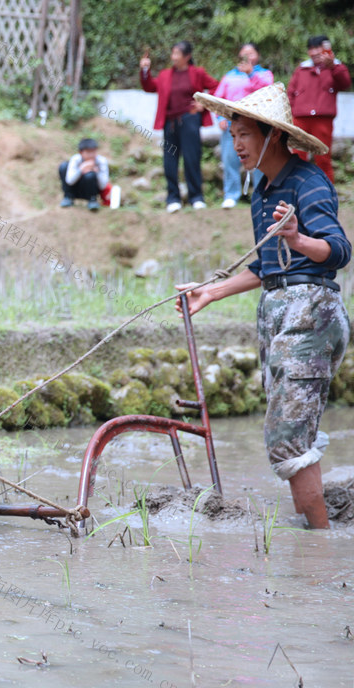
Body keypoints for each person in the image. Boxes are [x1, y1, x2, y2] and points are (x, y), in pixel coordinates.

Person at [181, 83, 349, 529]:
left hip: (310, 314)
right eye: (232, 135)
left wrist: (298, 238)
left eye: (245, 135)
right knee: (288, 429)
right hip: (277, 314)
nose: (236, 145)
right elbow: (267, 264)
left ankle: (320, 547)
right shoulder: (262, 190)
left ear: (273, 135)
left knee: (288, 436)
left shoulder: (308, 182)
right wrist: (211, 291)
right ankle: (315, 535)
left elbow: (338, 251)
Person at [139, 41, 219, 213]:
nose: (173, 57)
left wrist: (204, 103)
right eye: (173, 53)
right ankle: (173, 198)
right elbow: (150, 87)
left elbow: (216, 86)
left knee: (192, 158)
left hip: (190, 120)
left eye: (177, 54)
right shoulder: (165, 75)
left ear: (187, 56)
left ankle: (196, 197)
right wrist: (145, 70)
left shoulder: (197, 73)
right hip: (170, 123)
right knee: (170, 161)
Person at [212, 43, 273, 208]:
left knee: (259, 160)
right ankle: (231, 195)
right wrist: (220, 118)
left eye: (251, 53)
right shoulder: (229, 76)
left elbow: (268, 91)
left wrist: (251, 73)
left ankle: (261, 194)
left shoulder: (264, 74)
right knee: (230, 159)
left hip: (256, 125)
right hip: (232, 125)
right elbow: (219, 98)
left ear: (257, 55)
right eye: (244, 53)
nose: (247, 56)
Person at [287, 35, 351, 183]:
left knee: (323, 158)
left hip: (323, 119)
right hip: (300, 118)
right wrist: (290, 114)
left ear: (326, 50)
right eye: (311, 49)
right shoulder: (301, 69)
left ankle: (326, 191)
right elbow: (290, 93)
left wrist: (333, 66)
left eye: (318, 48)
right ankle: (298, 189)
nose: (315, 52)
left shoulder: (336, 68)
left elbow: (345, 83)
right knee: (298, 157)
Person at [59, 138, 110, 211]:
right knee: (64, 167)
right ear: (81, 152)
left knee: (90, 175)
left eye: (93, 152)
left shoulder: (101, 161)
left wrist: (97, 172)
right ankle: (68, 197)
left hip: (92, 189)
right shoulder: (75, 159)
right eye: (88, 152)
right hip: (75, 187)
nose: (91, 155)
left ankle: (92, 200)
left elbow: (103, 186)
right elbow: (69, 181)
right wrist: (81, 170)